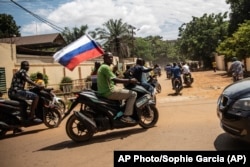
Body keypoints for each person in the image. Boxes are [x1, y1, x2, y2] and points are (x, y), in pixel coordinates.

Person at [97, 52, 138, 124]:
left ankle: (121, 112)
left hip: (105, 90)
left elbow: (114, 77)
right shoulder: (105, 67)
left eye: (111, 57)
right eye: (108, 57)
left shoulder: (103, 67)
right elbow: (115, 79)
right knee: (133, 94)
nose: (111, 59)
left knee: (123, 91)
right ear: (104, 59)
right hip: (109, 91)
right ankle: (126, 116)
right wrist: (130, 80)